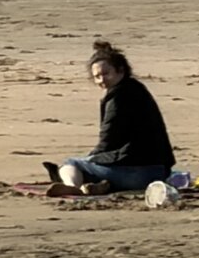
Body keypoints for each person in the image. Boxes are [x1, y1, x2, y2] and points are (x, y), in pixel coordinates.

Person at [47, 39, 176, 196]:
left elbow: (108, 141)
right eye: (97, 76)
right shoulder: (137, 88)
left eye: (106, 74)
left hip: (139, 175)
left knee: (72, 163)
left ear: (120, 71)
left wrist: (91, 158)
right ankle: (99, 186)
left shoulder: (118, 98)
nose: (102, 80)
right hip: (159, 171)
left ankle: (72, 187)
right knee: (92, 166)